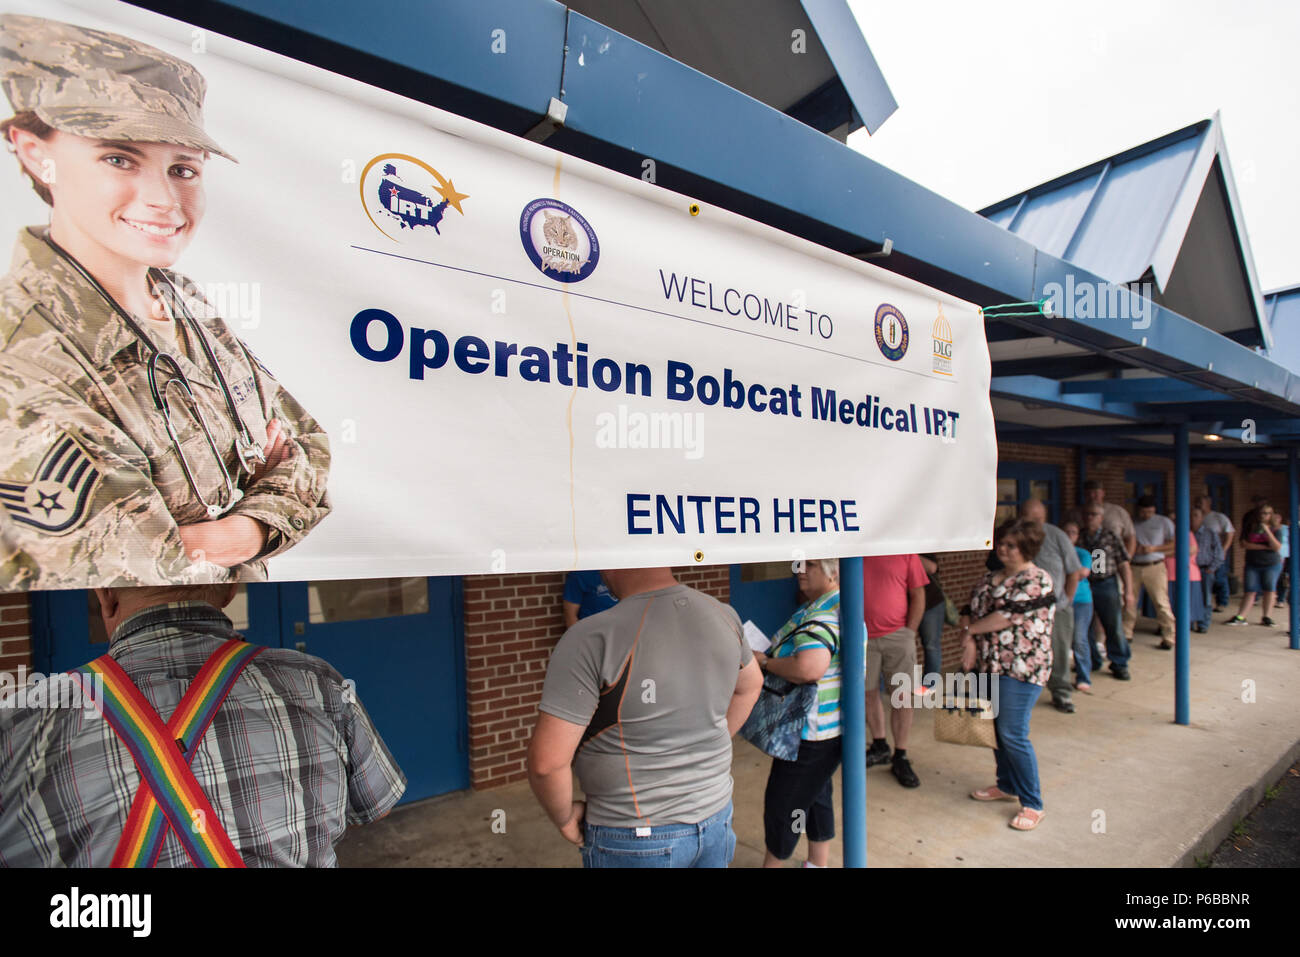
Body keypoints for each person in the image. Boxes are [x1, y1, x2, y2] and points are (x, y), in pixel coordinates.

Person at [0, 14, 330, 590]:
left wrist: (241, 533)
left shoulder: (182, 302)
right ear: (33, 153)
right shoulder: (23, 353)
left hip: (233, 637)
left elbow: (310, 449)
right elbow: (130, 561)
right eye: (119, 159)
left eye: (183, 170)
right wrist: (267, 507)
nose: (163, 200)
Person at [0, 583, 405, 866]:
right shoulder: (318, 683)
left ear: (104, 595)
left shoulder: (21, 721)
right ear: (231, 587)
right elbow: (376, 806)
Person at [527, 567, 762, 868]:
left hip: (634, 836)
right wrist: (700, 743)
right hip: (716, 817)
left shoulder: (591, 636)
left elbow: (546, 764)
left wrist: (563, 818)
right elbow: (751, 685)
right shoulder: (724, 614)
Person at [755, 559, 851, 868]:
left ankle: (775, 863)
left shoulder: (823, 615)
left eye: (810, 564)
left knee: (783, 806)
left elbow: (808, 668)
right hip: (829, 727)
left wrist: (766, 663)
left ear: (833, 571)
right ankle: (817, 862)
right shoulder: (842, 606)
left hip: (809, 732)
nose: (799, 570)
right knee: (815, 794)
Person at [960, 519, 1055, 831]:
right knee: (996, 731)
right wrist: (969, 639)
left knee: (1013, 732)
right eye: (1001, 543)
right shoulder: (990, 578)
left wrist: (972, 632)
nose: (1002, 548)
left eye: (1011, 545)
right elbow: (968, 611)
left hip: (1022, 667)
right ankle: (1007, 784)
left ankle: (1033, 803)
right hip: (990, 666)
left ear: (1026, 548)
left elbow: (1005, 617)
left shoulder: (1037, 580)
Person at [861, 553, 928, 787]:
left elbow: (918, 593)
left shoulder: (905, 552)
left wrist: (910, 632)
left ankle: (901, 754)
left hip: (898, 635)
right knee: (867, 694)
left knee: (902, 698)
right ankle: (880, 745)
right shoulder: (854, 550)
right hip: (862, 637)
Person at [1019, 499, 1082, 712]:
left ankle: (1061, 693)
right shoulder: (1016, 536)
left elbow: (1074, 571)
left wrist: (1067, 600)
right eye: (1026, 517)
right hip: (1023, 609)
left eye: (1034, 518)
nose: (1031, 522)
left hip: (1057, 607)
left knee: (1059, 650)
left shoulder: (1057, 536)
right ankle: (1023, 693)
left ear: (1042, 517)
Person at [1079, 502, 1136, 679]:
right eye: (1087, 514)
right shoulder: (1079, 537)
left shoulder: (1110, 537)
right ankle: (1092, 660)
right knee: (1085, 626)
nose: (1090, 518)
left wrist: (1128, 591)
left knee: (1113, 625)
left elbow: (1124, 564)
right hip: (1085, 585)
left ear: (1101, 518)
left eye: (1094, 514)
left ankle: (1119, 663)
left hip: (1106, 583)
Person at [1124, 496, 1177, 649]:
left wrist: (1153, 549)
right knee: (1129, 600)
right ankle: (1126, 633)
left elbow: (1174, 542)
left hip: (1155, 565)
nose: (1146, 515)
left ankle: (1169, 636)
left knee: (1161, 601)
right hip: (1133, 565)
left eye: (1149, 511)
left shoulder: (1163, 522)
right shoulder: (1132, 522)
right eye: (1143, 511)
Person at [1227, 502, 1283, 626]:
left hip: (1271, 563)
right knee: (1250, 590)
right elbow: (1244, 544)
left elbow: (1276, 547)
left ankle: (1266, 617)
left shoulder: (1276, 529)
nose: (1264, 516)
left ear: (1271, 515)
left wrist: (1267, 530)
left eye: (1267, 513)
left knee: (1269, 589)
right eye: (1262, 513)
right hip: (1253, 563)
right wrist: (1264, 546)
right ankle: (1241, 616)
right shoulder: (1251, 526)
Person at [1062, 519, 1093, 690]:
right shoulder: (1056, 552)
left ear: (1077, 536)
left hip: (1081, 601)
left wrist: (1064, 573)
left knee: (1079, 639)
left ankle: (1084, 677)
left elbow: (1082, 573)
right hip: (1061, 601)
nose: (1069, 535)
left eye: (1073, 532)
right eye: (1066, 531)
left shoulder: (1083, 553)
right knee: (1060, 641)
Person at [1197, 494, 1235, 611]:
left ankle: (1222, 602)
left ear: (1208, 503)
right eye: (1197, 502)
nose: (1198, 504)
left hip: (1216, 553)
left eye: (1200, 502)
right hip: (1201, 554)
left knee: (1220, 578)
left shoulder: (1218, 517)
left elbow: (1230, 533)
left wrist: (1224, 549)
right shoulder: (1195, 517)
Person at [917, 553, 948, 694]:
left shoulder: (921, 545)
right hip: (906, 604)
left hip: (931, 603)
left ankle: (930, 685)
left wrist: (907, 554)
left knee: (931, 644)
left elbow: (932, 567)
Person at [1191, 505, 1224, 633]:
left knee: (1205, 597)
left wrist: (1212, 568)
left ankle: (1203, 623)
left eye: (1196, 516)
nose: (1193, 519)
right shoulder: (1186, 533)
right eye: (1191, 515)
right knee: (1191, 596)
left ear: (1202, 517)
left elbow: (1219, 553)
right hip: (1190, 570)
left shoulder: (1210, 533)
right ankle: (1189, 621)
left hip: (1205, 570)